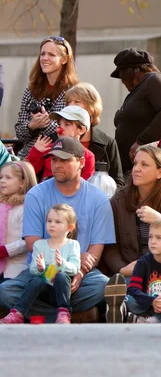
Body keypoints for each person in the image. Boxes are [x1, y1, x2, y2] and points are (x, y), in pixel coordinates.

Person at [0, 137, 115, 321]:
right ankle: (66, 311)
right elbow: (32, 243)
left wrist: (79, 272)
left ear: (81, 163)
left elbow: (96, 249)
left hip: (75, 269)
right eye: (54, 159)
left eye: (64, 160)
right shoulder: (36, 194)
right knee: (5, 292)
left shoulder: (98, 199)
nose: (57, 165)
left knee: (102, 285)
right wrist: (52, 273)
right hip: (40, 269)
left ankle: (34, 309)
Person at [100, 145, 161, 322]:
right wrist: (122, 268)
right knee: (125, 295)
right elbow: (110, 246)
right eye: (136, 163)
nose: (136, 169)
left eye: (145, 165)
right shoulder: (119, 199)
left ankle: (144, 318)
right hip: (135, 271)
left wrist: (160, 221)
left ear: (160, 172)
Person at [0, 204, 81, 324]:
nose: (52, 224)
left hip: (61, 290)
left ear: (69, 227)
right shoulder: (39, 245)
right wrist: (39, 268)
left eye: (57, 222)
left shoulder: (72, 245)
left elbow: (75, 268)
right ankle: (17, 313)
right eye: (49, 221)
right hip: (42, 291)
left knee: (62, 276)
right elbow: (32, 269)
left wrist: (62, 264)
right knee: (36, 280)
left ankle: (64, 312)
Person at [111, 48, 161, 173]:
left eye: (122, 75)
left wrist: (142, 141)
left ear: (132, 72)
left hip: (150, 166)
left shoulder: (155, 80)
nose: (122, 81)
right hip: (133, 168)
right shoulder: (140, 89)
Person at [14, 36, 79, 157]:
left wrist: (46, 123)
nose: (45, 58)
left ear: (64, 59)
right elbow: (19, 133)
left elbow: (73, 131)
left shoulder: (73, 91)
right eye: (42, 54)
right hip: (30, 157)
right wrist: (31, 126)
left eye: (51, 55)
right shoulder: (31, 90)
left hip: (60, 156)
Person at [65, 83, 124, 186]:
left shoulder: (108, 143)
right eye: (69, 102)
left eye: (77, 102)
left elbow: (118, 183)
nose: (71, 106)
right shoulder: (54, 139)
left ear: (91, 108)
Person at [26, 106, 95, 181]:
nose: (59, 129)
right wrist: (36, 152)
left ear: (81, 130)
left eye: (67, 124)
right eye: (59, 124)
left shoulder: (88, 156)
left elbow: (86, 184)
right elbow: (27, 174)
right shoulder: (48, 149)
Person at [0, 161, 38, 280]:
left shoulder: (26, 207)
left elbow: (28, 240)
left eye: (8, 177)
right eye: (1, 177)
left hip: (16, 269)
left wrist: (5, 251)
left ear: (22, 182)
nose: (2, 181)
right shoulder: (1, 205)